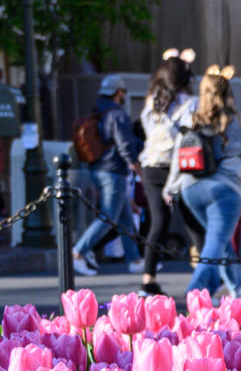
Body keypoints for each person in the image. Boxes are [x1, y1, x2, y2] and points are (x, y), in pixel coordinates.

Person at [164, 67, 241, 299]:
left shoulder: (192, 120)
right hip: (225, 192)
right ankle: (197, 293)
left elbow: (177, 154)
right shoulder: (238, 123)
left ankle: (238, 281)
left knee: (218, 240)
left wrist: (170, 187)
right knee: (215, 242)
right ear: (228, 93)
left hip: (191, 190)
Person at [72, 75, 144, 277]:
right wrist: (136, 168)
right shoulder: (117, 114)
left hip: (98, 168)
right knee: (109, 217)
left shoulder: (99, 112)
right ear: (119, 92)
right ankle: (78, 252)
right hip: (113, 170)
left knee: (125, 219)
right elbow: (125, 145)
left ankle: (135, 260)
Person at [138, 55, 197, 296]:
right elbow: (189, 136)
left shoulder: (153, 102)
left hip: (152, 166)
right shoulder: (191, 103)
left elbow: (147, 130)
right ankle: (204, 276)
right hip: (180, 167)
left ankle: (148, 279)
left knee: (158, 222)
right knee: (193, 222)